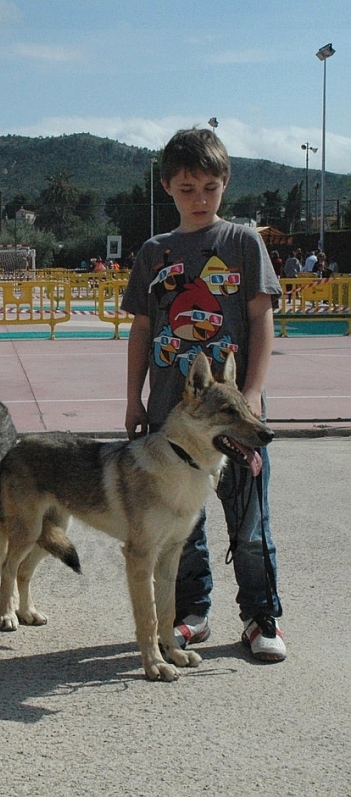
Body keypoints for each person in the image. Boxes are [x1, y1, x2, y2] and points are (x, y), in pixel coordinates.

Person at [122, 127, 286, 663]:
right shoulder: (154, 251)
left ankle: (261, 617)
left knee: (250, 521)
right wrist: (133, 398)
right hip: (173, 421)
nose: (199, 199)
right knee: (180, 528)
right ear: (167, 185)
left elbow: (261, 319)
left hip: (233, 417)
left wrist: (254, 391)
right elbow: (143, 331)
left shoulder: (242, 242)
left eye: (210, 188)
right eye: (188, 188)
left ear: (225, 186)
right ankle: (192, 613)